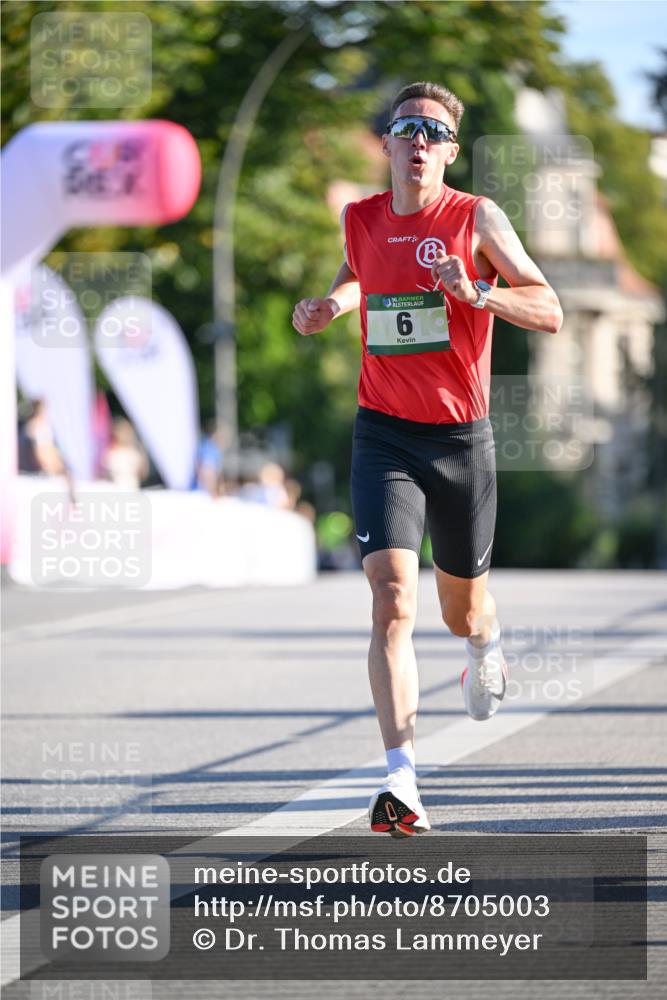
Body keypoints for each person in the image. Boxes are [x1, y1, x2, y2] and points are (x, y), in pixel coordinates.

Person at [292, 81, 563, 838]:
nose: (418, 140)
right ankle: (401, 781)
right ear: (385, 142)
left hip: (459, 440)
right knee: (391, 602)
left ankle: (484, 642)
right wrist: (329, 306)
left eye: (434, 132)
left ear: (449, 152)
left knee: (459, 611)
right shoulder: (359, 218)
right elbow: (358, 276)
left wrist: (477, 293)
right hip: (383, 434)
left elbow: (548, 307)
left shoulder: (476, 218)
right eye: (406, 127)